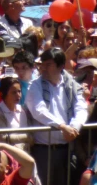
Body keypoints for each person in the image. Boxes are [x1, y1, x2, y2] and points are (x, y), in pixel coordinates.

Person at [24, 47, 88, 185]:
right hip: (43, 151)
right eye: (42, 64)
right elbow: (38, 110)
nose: (43, 68)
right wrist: (62, 126)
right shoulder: (35, 86)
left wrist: (74, 128)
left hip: (67, 148)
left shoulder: (71, 85)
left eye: (48, 64)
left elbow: (81, 108)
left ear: (60, 66)